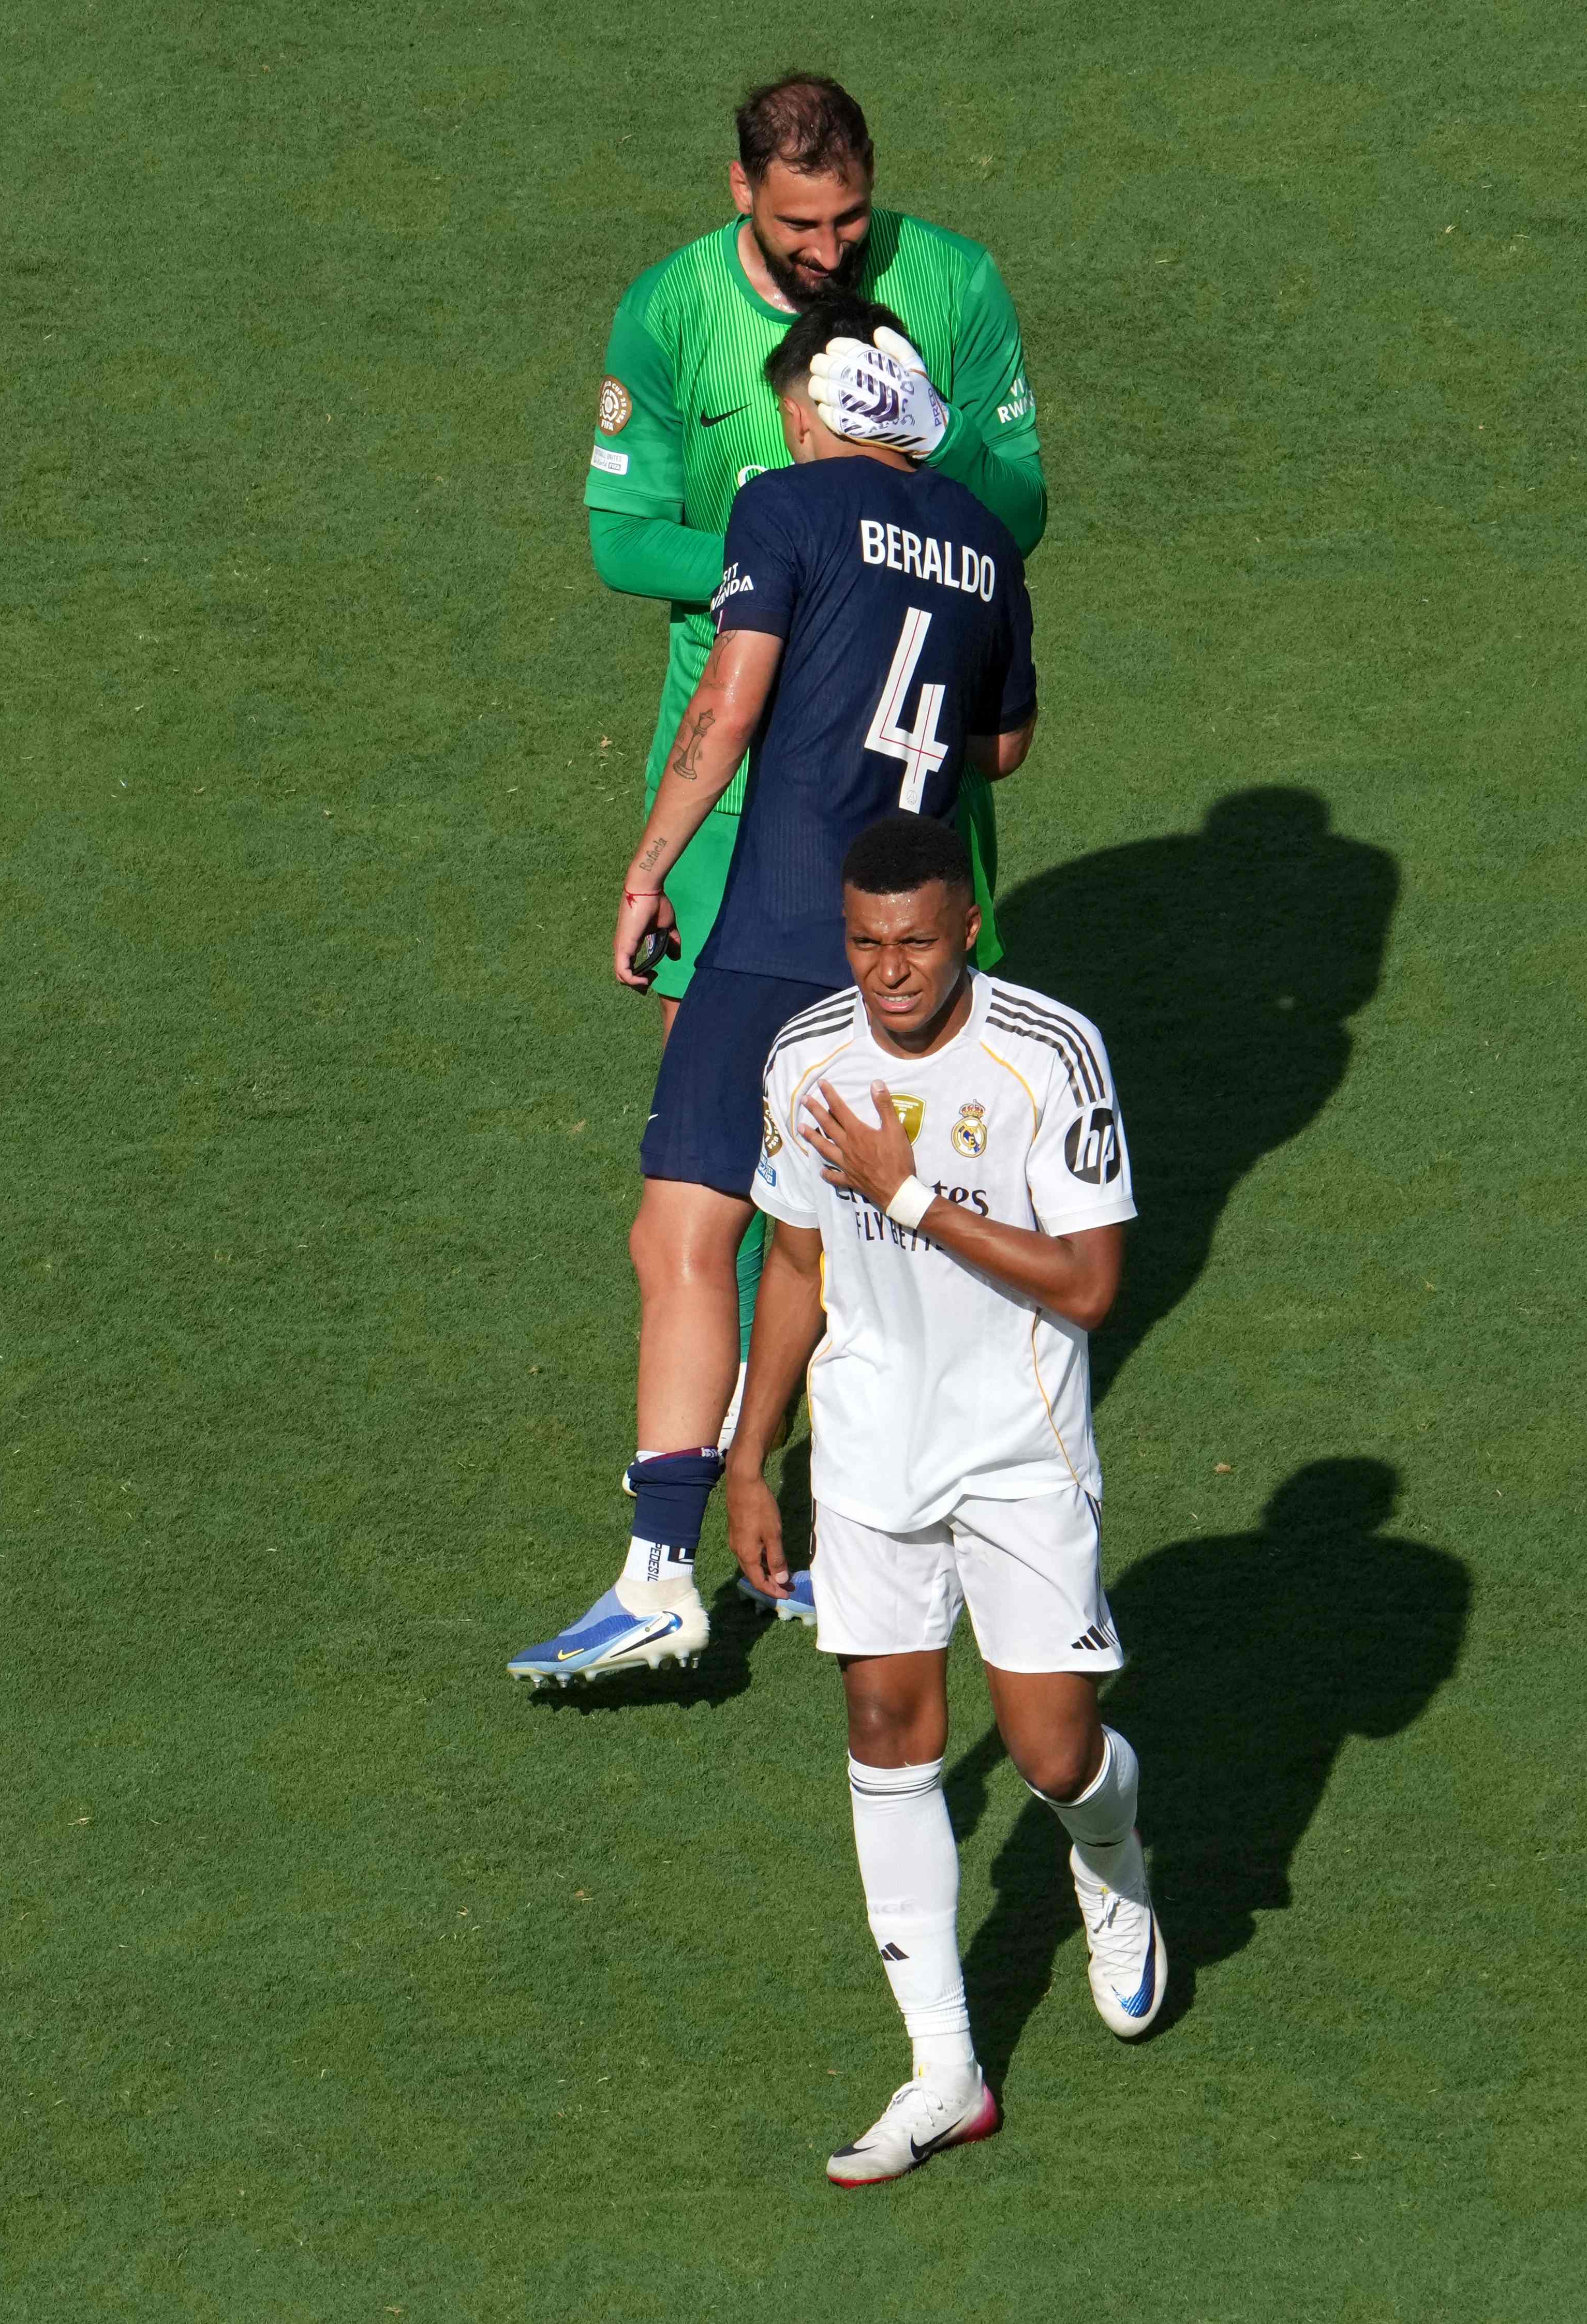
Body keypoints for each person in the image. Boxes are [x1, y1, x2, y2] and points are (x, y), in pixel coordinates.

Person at [508, 295, 1035, 1685]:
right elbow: (1005, 746)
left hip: (783, 925)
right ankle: (865, 1558)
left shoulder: (787, 507)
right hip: (913, 955)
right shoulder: (987, 546)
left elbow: (726, 706)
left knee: (683, 1231)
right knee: (839, 1255)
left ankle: (656, 1574)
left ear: (810, 407)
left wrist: (647, 866)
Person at [726, 810, 1159, 2184]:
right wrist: (751, 1451)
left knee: (1049, 1753)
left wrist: (910, 1193)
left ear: (967, 921)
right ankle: (943, 2067)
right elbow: (793, 1262)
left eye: (914, 941)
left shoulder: (1048, 1055)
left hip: (1017, 1449)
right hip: (866, 1445)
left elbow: (1090, 1284)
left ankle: (1113, 1852)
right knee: (883, 1723)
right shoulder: (806, 1059)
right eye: (864, 943)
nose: (889, 971)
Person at [581, 73, 1047, 1025]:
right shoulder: (669, 308)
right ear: (741, 188)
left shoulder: (954, 281)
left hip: (909, 771)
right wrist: (802, 564)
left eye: (851, 219)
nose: (829, 250)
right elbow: (623, 541)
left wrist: (943, 435)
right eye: (800, 224)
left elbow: (1022, 513)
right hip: (728, 780)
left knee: (909, 1101)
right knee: (716, 1098)